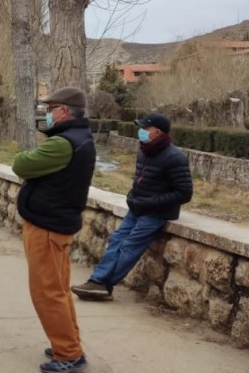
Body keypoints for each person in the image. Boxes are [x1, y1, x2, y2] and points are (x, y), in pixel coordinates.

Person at [11, 86, 95, 373]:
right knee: (58, 290)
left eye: (50, 108)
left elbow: (21, 164)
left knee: (47, 292)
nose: (46, 113)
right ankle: (69, 343)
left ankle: (68, 353)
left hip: (47, 225)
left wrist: (28, 156)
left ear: (64, 111)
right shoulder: (79, 138)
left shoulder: (62, 143)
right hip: (57, 223)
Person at [72, 113, 192, 301]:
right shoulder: (144, 151)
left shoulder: (175, 158)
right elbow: (140, 180)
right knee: (116, 240)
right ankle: (97, 281)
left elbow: (184, 193)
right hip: (136, 208)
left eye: (145, 128)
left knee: (129, 247)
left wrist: (152, 203)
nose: (141, 131)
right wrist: (133, 197)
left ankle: (104, 284)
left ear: (157, 132)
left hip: (155, 213)